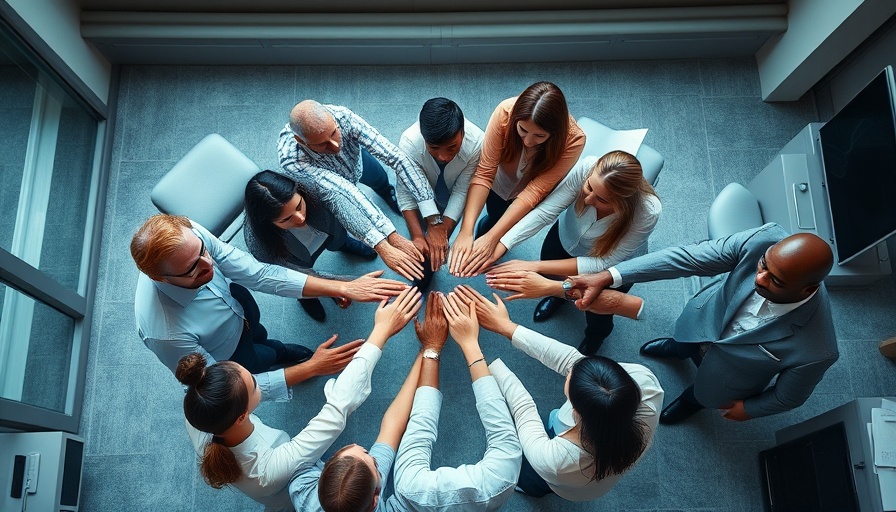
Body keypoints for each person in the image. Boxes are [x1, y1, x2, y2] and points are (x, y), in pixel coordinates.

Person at [178, 286, 422, 511]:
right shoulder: (269, 470)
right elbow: (336, 410)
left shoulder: (199, 408)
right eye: (254, 382)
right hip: (286, 496)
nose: (258, 378)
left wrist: (312, 367)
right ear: (242, 416)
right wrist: (381, 331)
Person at [567, 223, 839, 424]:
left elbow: (789, 396)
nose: (759, 279)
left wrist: (750, 410)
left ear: (807, 290)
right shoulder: (765, 239)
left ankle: (690, 401)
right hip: (699, 323)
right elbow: (686, 258)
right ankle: (678, 348)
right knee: (682, 342)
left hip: (726, 380)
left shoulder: (817, 349)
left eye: (775, 281)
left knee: (700, 395)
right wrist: (610, 276)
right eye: (762, 265)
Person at [453, 285, 663, 501]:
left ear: (577, 412)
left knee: (530, 477)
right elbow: (570, 359)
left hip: (561, 479)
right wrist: (507, 327)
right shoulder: (644, 382)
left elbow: (523, 409)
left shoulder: (558, 461)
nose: (569, 369)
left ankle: (529, 486)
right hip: (577, 448)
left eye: (568, 384)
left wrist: (479, 358)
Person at [132, 214, 407, 375]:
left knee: (262, 336)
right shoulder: (166, 335)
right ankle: (279, 357)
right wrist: (312, 369)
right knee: (258, 360)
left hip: (236, 304)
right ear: (159, 277)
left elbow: (257, 274)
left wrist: (343, 287)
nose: (211, 265)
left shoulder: (187, 234)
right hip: (229, 354)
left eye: (203, 250)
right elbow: (225, 386)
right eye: (194, 268)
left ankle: (278, 350)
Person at [485, 151, 661, 354]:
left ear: (624, 204)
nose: (587, 199)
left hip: (610, 267)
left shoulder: (647, 211)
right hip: (565, 238)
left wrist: (532, 265)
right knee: (550, 278)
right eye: (588, 187)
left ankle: (595, 336)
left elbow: (603, 263)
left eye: (602, 199)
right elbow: (546, 211)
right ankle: (557, 296)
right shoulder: (588, 166)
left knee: (598, 313)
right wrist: (501, 245)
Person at [290, 294, 444, 512]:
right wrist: (430, 349)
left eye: (344, 451)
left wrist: (423, 351)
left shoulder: (301, 486)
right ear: (375, 500)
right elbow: (391, 430)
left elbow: (390, 428)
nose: (357, 446)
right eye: (372, 460)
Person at [380, 292, 522, 511]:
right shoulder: (409, 486)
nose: (371, 457)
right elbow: (504, 443)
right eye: (371, 463)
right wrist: (468, 344)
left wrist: (428, 351)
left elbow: (404, 430)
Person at [277, 99, 440, 281]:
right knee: (338, 229)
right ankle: (347, 244)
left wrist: (432, 216)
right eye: (323, 144)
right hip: (331, 192)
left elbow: (396, 157)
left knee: (381, 180)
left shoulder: (343, 117)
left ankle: (387, 193)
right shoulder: (293, 160)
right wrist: (389, 238)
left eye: (334, 133)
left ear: (332, 118)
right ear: (301, 141)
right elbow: (345, 191)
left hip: (357, 163)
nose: (336, 146)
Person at [448, 81, 585, 278]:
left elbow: (534, 191)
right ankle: (484, 229)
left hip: (530, 192)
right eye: (523, 130)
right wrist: (465, 231)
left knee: (505, 226)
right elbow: (485, 172)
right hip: (500, 182)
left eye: (540, 135)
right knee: (494, 212)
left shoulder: (574, 139)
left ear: (555, 132)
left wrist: (494, 239)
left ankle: (490, 233)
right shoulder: (505, 112)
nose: (528, 141)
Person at [244, 170, 378, 322]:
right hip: (295, 258)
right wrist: (332, 289)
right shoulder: (259, 245)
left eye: (299, 206)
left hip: (327, 230)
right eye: (287, 218)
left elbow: (341, 203)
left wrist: (376, 240)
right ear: (268, 223)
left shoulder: (310, 183)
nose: (301, 218)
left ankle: (343, 244)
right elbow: (294, 274)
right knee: (301, 284)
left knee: (339, 240)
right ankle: (306, 297)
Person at [397, 98, 484, 289]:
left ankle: (430, 265)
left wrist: (442, 231)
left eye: (452, 147)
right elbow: (405, 191)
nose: (443, 156)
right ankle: (424, 266)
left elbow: (462, 189)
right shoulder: (409, 143)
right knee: (422, 237)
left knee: (437, 242)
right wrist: (418, 237)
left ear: (462, 132)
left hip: (451, 197)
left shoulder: (478, 142)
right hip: (420, 201)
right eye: (434, 148)